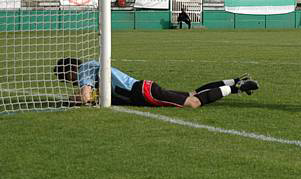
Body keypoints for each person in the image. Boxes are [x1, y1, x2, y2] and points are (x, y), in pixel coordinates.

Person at [53, 58, 259, 107]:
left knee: (192, 104)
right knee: (192, 94)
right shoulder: (92, 66)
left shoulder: (83, 71)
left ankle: (236, 88)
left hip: (142, 92)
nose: (70, 82)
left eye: (66, 78)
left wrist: (68, 100)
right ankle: (237, 80)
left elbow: (85, 97)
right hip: (143, 87)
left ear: (70, 69)